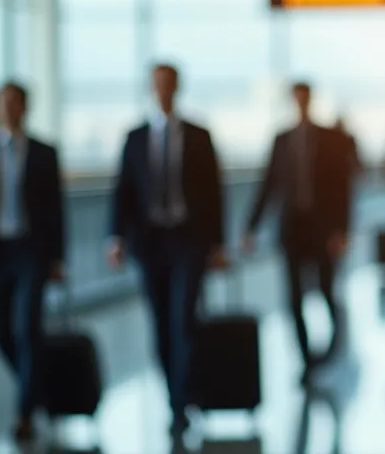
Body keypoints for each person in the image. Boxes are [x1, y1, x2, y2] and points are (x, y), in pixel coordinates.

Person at [110, 64, 225, 439]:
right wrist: (116, 238)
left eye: (167, 84)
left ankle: (180, 400)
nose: (162, 91)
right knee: (160, 322)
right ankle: (175, 392)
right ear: (151, 89)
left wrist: (217, 244)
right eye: (156, 84)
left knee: (183, 317)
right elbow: (123, 190)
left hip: (188, 239)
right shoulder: (135, 138)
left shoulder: (198, 136)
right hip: (150, 242)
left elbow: (214, 193)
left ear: (177, 88)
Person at [244, 82, 352, 383]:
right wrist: (251, 227)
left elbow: (342, 188)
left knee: (326, 291)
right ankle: (306, 359)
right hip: (292, 229)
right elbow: (269, 184)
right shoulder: (282, 140)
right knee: (293, 297)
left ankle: (330, 349)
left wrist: (342, 229)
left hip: (322, 229)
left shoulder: (330, 139)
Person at [0, 82, 65, 442]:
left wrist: (57, 257)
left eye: (14, 103)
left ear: (25, 108)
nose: (7, 109)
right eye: (2, 103)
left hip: (31, 249)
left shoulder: (44, 153)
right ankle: (36, 385)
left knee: (27, 328)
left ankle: (24, 412)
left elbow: (56, 209)